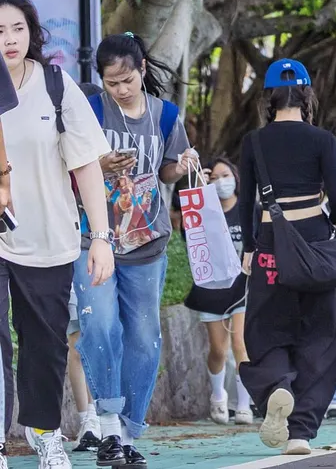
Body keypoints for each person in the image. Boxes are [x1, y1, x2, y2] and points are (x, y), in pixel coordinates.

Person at [0, 0, 114, 469]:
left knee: (45, 345)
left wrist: (102, 237)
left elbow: (86, 163)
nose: (8, 39)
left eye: (17, 28)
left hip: (48, 237)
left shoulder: (55, 84)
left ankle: (44, 431)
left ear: (32, 30)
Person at [75, 33, 198, 468]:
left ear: (142, 69)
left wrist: (178, 167)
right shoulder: (89, 109)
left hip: (147, 243)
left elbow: (166, 170)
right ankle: (108, 427)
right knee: (100, 326)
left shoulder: (166, 116)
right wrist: (99, 165)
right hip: (93, 238)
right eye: (112, 83)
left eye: (127, 79)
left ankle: (128, 433)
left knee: (144, 339)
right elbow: (66, 162)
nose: (121, 89)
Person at [239, 59, 336, 456]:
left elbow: (246, 201)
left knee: (265, 329)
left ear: (269, 97)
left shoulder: (254, 142)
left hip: (270, 245)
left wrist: (249, 248)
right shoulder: (322, 140)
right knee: (321, 336)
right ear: (306, 94)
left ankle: (276, 386)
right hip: (316, 243)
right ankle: (300, 431)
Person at [183, 157, 253, 426]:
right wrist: (199, 185)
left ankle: (244, 406)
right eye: (215, 178)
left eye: (226, 176)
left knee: (241, 346)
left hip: (242, 288)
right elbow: (190, 239)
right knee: (219, 351)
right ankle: (218, 395)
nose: (222, 182)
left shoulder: (248, 209)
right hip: (211, 291)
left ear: (236, 178)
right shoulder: (203, 211)